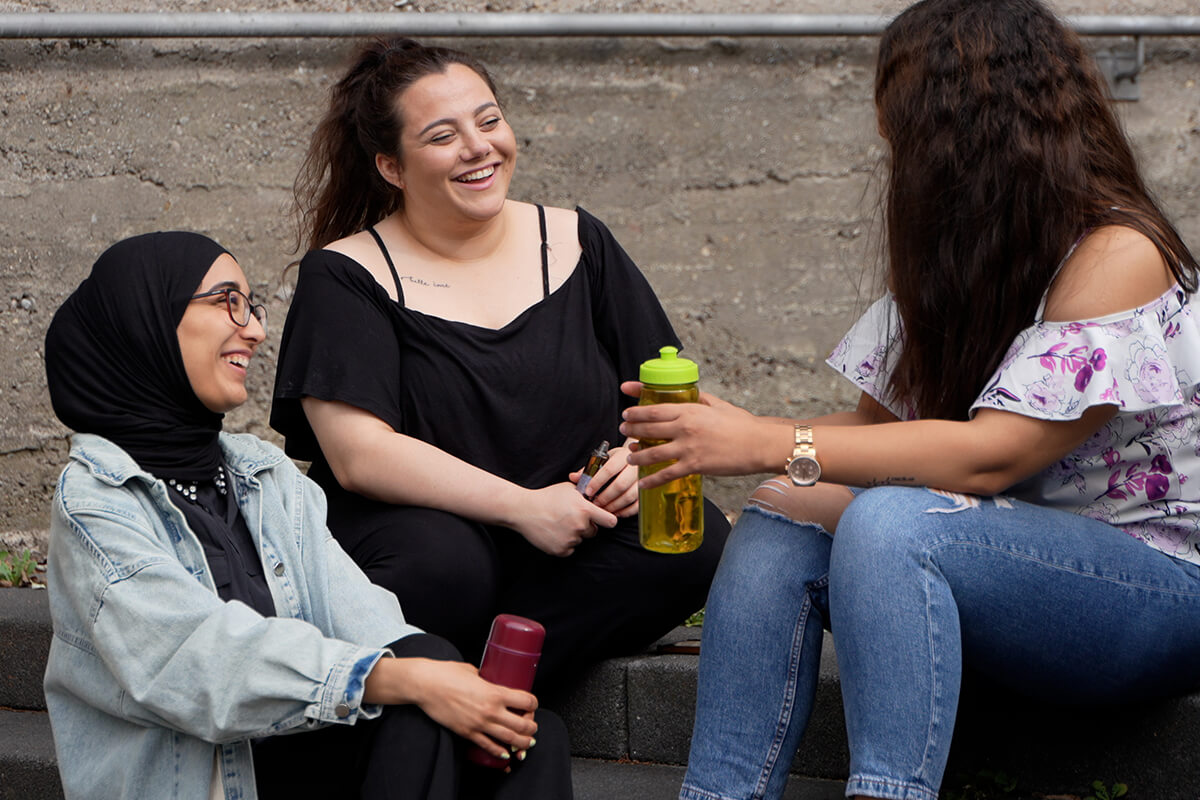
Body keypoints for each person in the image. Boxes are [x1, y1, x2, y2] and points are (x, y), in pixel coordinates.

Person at [618, 2, 1200, 798]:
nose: (885, 138)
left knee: (888, 523)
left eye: (896, 111)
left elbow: (992, 455)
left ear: (954, 124)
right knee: (783, 505)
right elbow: (876, 436)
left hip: (1157, 590)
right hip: (998, 568)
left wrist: (763, 437)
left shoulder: (1117, 250)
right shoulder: (960, 252)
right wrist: (701, 436)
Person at [42, 231, 573, 800]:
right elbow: (196, 662)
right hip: (209, 778)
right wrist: (400, 678)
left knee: (523, 734)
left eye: (253, 305)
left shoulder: (261, 472)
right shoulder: (96, 502)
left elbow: (363, 616)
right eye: (228, 301)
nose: (255, 329)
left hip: (294, 749)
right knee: (415, 695)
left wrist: (454, 686)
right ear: (145, 322)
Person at [269, 37, 728, 692]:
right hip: (430, 535)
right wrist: (521, 508)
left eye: (489, 121)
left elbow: (659, 397)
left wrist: (627, 464)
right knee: (445, 565)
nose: (479, 147)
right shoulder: (346, 274)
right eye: (442, 135)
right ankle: (453, 693)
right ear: (391, 166)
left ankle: (485, 684)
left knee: (692, 534)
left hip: (574, 524)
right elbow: (358, 456)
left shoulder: (577, 240)